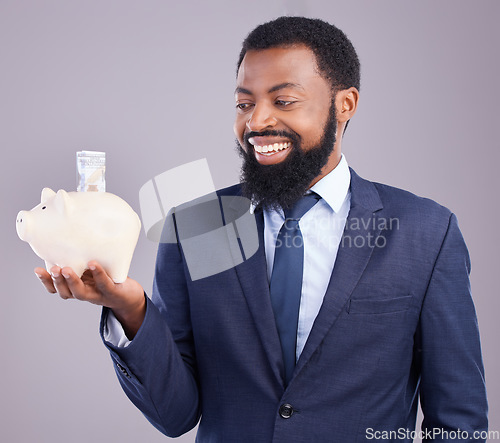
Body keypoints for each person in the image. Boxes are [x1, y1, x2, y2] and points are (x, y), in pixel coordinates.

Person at [35, 16, 488, 442]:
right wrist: (131, 310)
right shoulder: (198, 228)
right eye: (244, 104)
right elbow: (175, 414)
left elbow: (458, 419)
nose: (257, 122)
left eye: (283, 101)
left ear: (344, 104)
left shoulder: (424, 232)